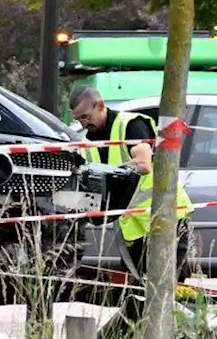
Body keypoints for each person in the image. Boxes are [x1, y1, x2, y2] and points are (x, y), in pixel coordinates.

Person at [69, 85, 195, 326]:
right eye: (78, 119)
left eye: (86, 116)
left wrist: (114, 173)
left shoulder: (130, 124)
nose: (84, 123)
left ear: (101, 105)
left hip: (167, 222)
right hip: (135, 231)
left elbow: (144, 164)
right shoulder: (91, 140)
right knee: (146, 294)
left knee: (158, 295)